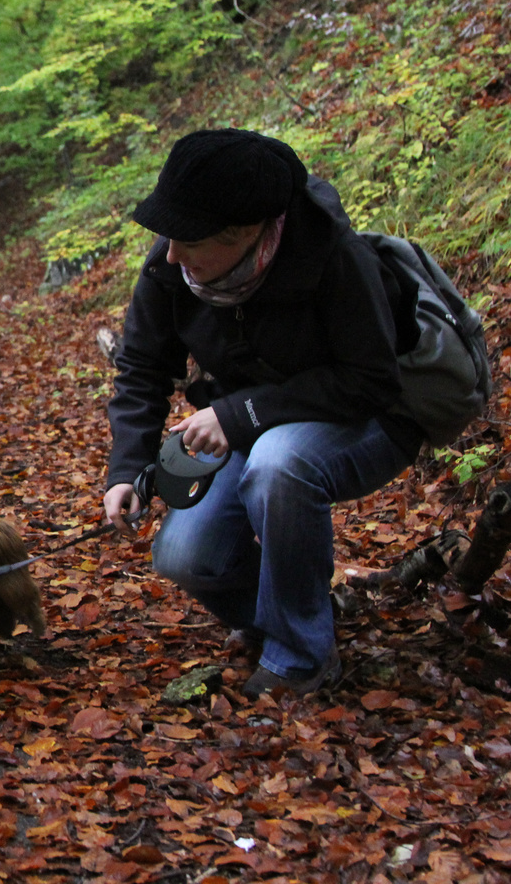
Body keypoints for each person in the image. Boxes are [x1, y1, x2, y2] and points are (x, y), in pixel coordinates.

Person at [102, 128, 423, 699]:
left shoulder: (333, 257)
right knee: (184, 556)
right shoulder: (172, 265)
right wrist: (127, 471)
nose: (171, 253)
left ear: (248, 233)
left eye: (189, 238)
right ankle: (288, 614)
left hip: (370, 420)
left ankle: (301, 658)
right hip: (252, 425)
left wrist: (239, 413)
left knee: (279, 464)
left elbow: (371, 381)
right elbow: (142, 369)